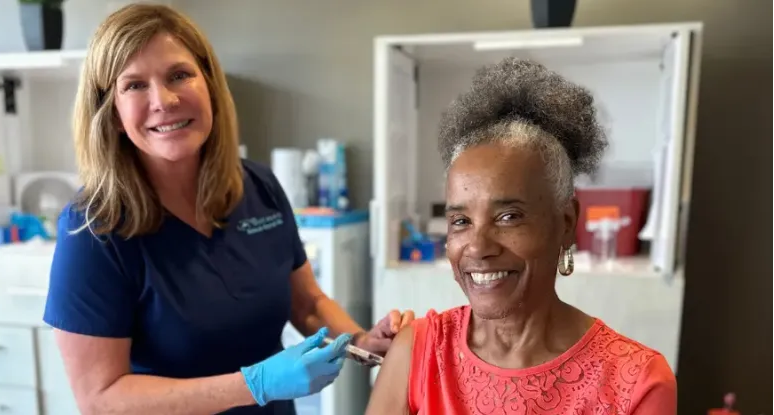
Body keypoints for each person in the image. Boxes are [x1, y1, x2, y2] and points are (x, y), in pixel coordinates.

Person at [43, 4, 413, 415]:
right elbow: (100, 399)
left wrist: (360, 343)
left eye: (179, 75)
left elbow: (307, 303)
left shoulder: (259, 187)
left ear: (210, 86)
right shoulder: (94, 229)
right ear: (110, 113)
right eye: (133, 85)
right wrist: (253, 384)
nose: (163, 100)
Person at [365, 57, 677, 415]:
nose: (478, 248)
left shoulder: (636, 382)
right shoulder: (417, 352)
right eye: (461, 221)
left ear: (565, 222)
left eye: (509, 216)